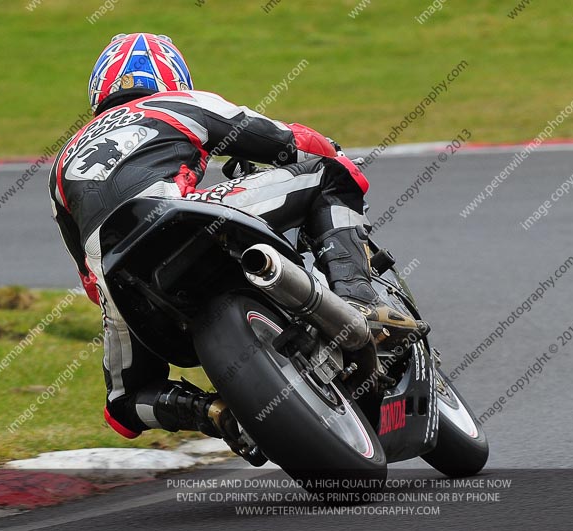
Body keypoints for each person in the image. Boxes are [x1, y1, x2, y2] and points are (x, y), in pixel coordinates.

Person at [49, 33, 425, 453]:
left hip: (116, 274)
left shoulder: (60, 165)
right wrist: (329, 148)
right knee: (333, 173)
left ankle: (211, 412)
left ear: (99, 90)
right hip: (179, 215)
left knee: (123, 406)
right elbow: (288, 142)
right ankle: (358, 299)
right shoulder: (178, 103)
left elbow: (87, 278)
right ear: (172, 77)